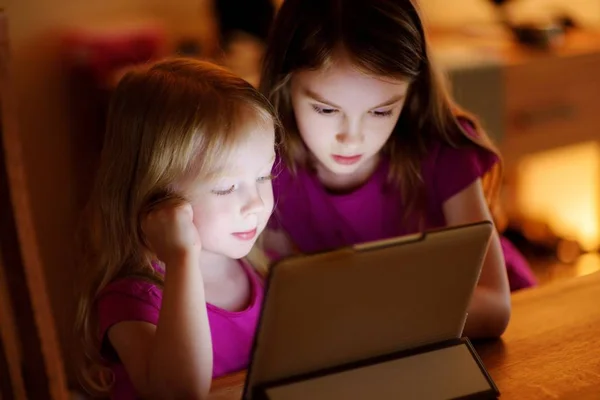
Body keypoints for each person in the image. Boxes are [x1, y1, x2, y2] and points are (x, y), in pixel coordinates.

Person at [260, 0, 518, 338]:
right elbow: (280, 302)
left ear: (411, 94)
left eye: (381, 112)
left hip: (483, 329)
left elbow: (496, 306)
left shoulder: (442, 152)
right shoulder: (270, 168)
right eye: (325, 110)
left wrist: (368, 322)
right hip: (383, 338)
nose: (351, 139)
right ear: (284, 82)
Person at [74, 58, 278, 399]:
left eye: (264, 175)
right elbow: (180, 393)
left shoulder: (260, 268)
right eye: (226, 187)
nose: (256, 203)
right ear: (155, 195)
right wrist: (182, 258)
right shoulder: (133, 300)